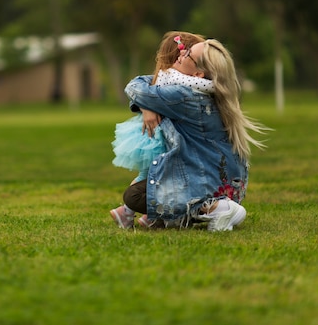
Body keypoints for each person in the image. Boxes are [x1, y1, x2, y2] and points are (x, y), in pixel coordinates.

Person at [110, 38, 267, 231]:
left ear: (198, 73)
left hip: (202, 186)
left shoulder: (183, 95)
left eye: (188, 54)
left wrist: (146, 105)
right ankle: (207, 211)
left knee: (134, 196)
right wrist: (147, 105)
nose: (180, 52)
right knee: (151, 187)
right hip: (226, 186)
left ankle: (216, 208)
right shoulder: (211, 93)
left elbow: (136, 86)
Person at [111, 31, 210, 184]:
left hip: (181, 146)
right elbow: (139, 88)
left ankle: (130, 202)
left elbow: (143, 90)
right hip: (161, 139)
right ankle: (130, 203)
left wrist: (145, 105)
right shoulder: (173, 81)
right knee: (148, 174)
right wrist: (145, 106)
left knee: (151, 175)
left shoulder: (187, 87)